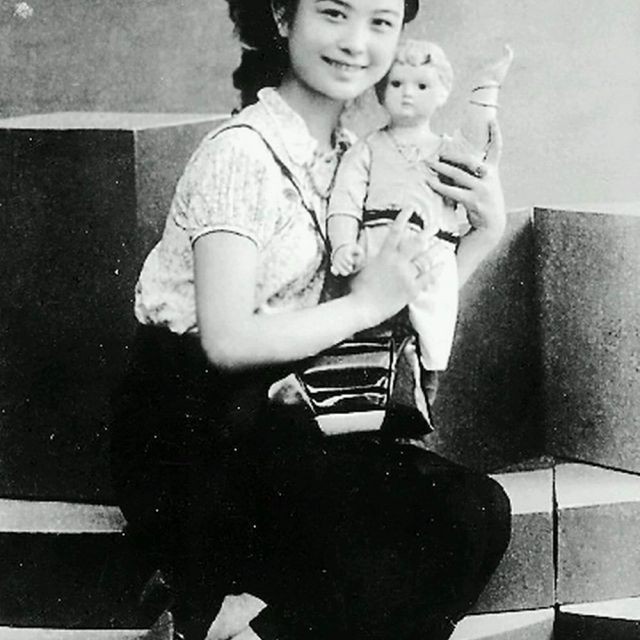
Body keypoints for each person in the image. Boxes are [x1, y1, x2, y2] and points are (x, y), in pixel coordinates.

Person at [109, 1, 512, 639]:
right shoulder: (242, 152)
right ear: (280, 15)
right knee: (410, 535)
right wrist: (365, 303)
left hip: (288, 413)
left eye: (381, 22)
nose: (357, 42)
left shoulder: (354, 156)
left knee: (474, 511)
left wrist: (483, 234)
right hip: (193, 426)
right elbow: (227, 341)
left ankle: (241, 626)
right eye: (333, 13)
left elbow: (396, 302)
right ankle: (216, 604)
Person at [327, 39, 462, 382]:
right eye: (397, 84)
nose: (407, 94)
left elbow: (479, 178)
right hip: (376, 252)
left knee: (428, 341)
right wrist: (343, 244)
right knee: (370, 340)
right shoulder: (367, 149)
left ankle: (422, 393)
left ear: (443, 92)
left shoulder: (449, 152)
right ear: (380, 91)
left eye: (422, 86)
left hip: (430, 257)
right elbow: (345, 201)